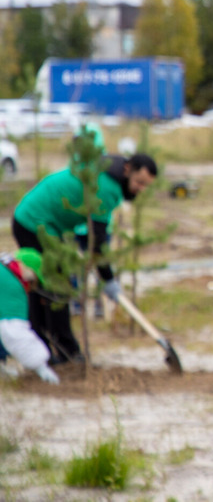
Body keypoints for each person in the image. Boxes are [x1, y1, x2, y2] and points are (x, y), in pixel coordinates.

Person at [12, 153, 158, 365]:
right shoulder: (107, 188)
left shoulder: (107, 173)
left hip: (42, 222)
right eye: (139, 182)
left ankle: (45, 350)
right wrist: (108, 279)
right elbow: (97, 241)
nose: (141, 189)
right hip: (35, 223)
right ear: (127, 170)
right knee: (56, 287)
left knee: (45, 285)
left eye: (146, 185)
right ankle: (67, 353)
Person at [0, 248, 59, 384]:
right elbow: (14, 331)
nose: (32, 284)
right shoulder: (12, 287)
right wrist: (40, 365)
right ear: (27, 270)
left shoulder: (4, 270)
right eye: (34, 278)